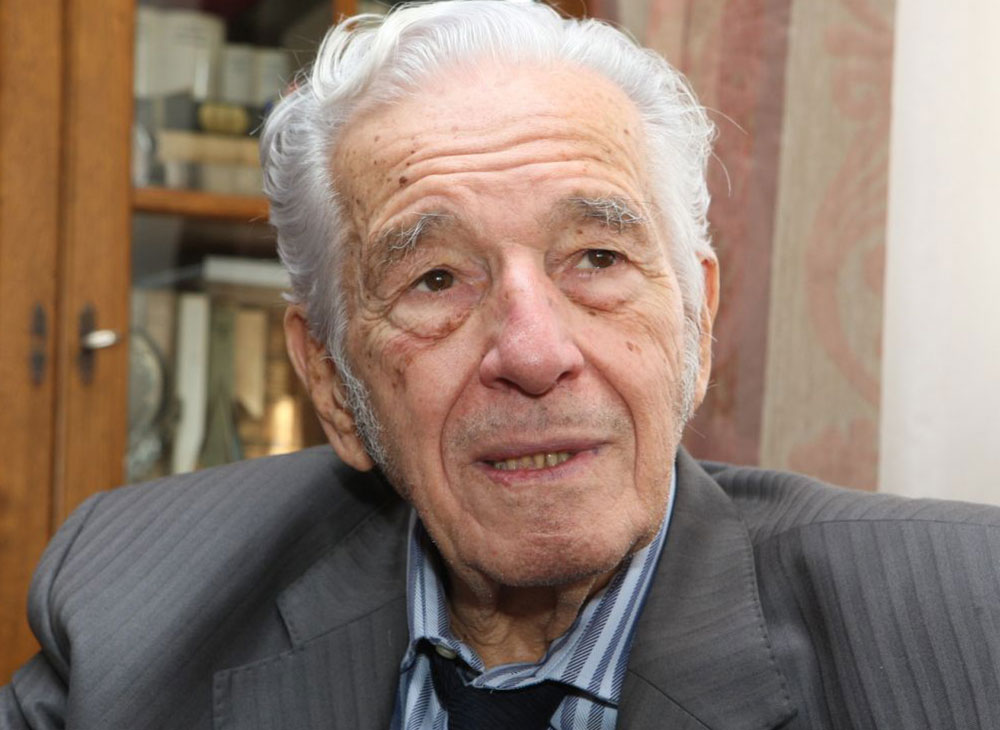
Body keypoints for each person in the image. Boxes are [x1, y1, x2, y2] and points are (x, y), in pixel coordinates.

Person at [3, 2, 999, 728]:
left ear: (697, 320)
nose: (533, 351)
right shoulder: (137, 605)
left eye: (596, 259)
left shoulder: (963, 621)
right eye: (436, 278)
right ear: (331, 383)